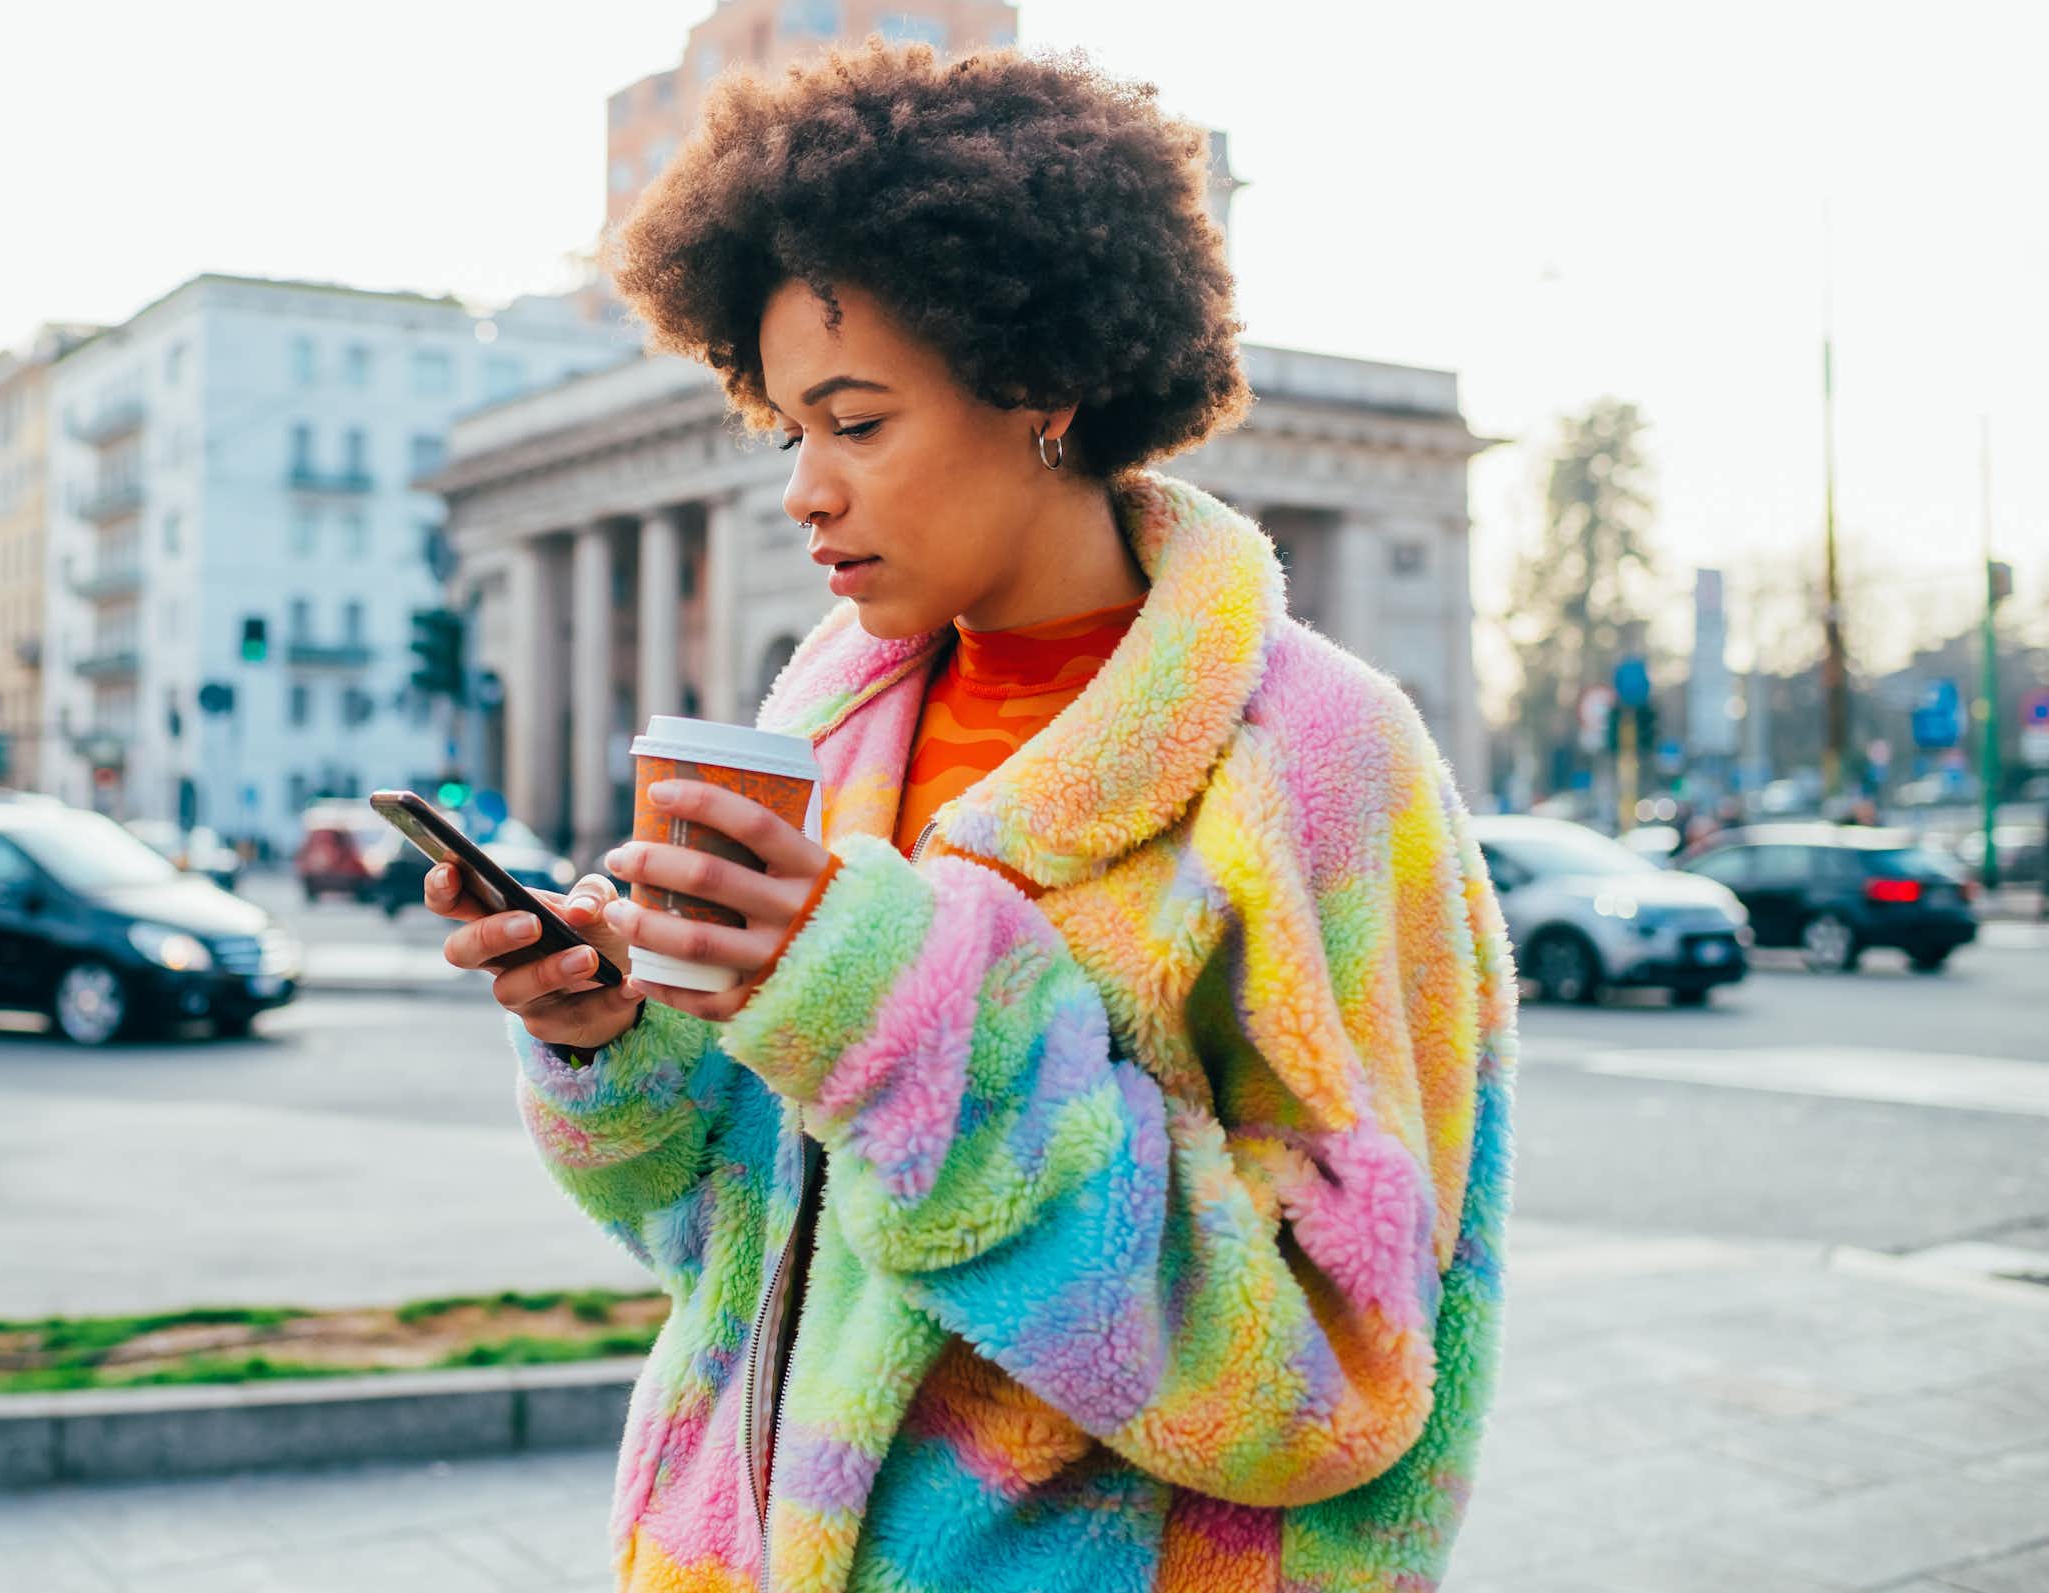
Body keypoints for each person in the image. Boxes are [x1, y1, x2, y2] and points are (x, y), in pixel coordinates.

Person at [425, 37, 1517, 1592]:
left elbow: (1326, 1379)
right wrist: (615, 1040)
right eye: (787, 427)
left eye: (858, 422)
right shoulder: (820, 720)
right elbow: (741, 1246)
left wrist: (886, 1005)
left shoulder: (1322, 762)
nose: (803, 488)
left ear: (1045, 392)